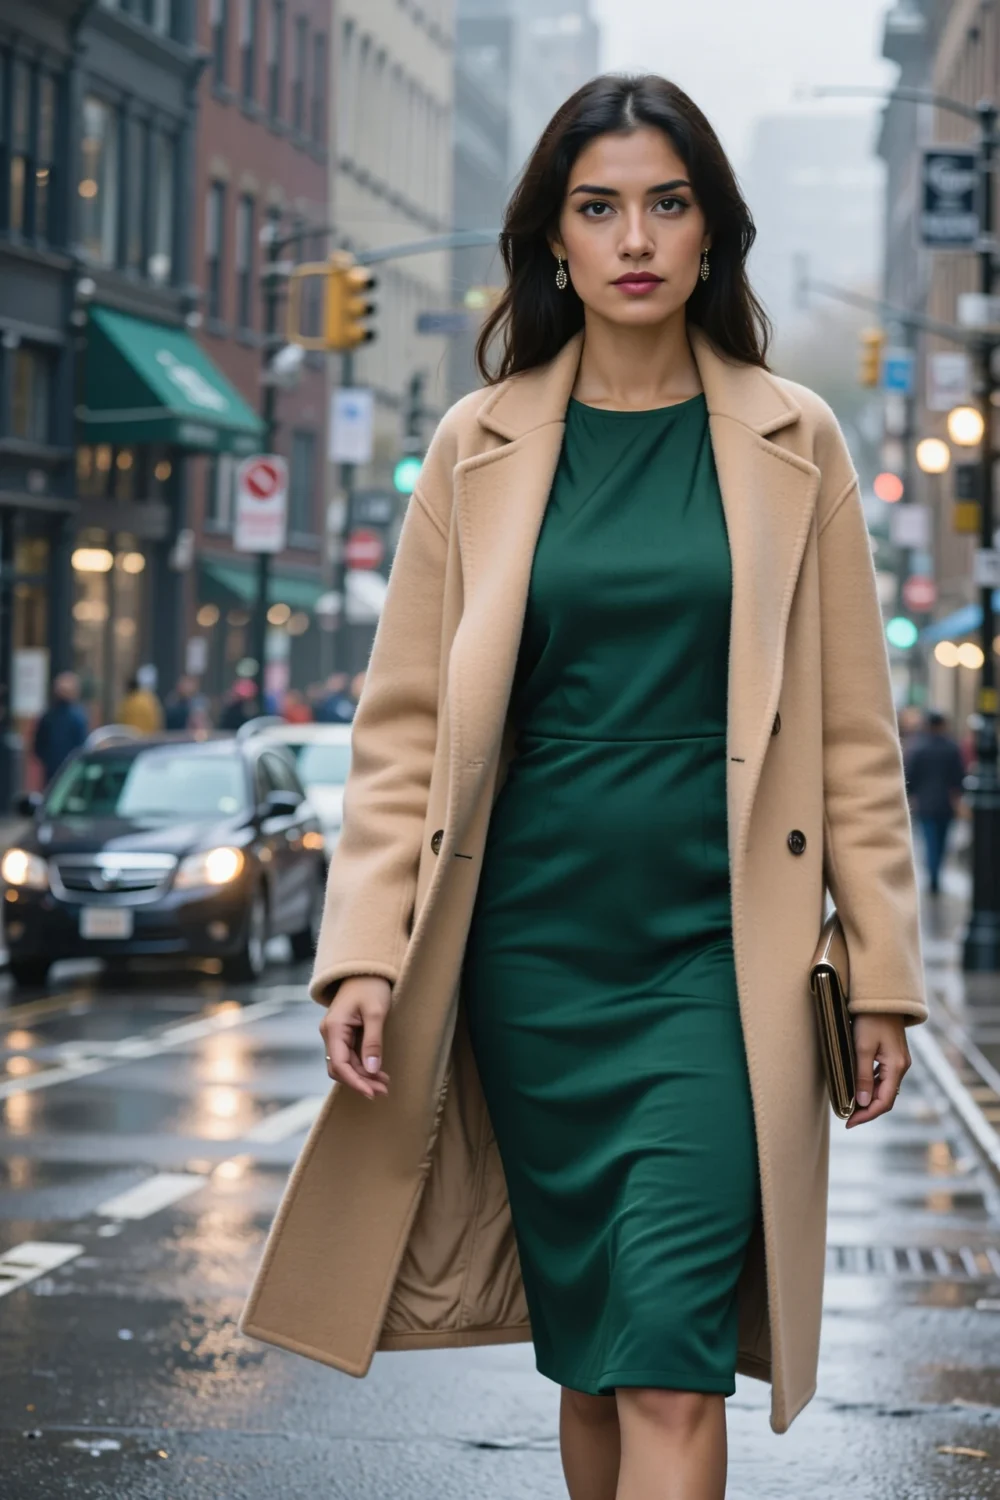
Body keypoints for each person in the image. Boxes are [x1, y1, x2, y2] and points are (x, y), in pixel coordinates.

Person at [242, 76, 926, 1496]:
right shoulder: (475, 444)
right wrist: (362, 950)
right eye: (598, 207)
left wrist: (880, 974)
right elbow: (404, 729)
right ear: (552, 238)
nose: (635, 238)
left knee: (669, 1359)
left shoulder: (797, 439)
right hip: (532, 958)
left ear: (710, 229)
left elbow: (856, 738)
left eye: (667, 204)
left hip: (718, 961)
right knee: (597, 1361)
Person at [905, 710, 966, 896]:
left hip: (925, 804)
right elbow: (959, 777)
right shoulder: (951, 747)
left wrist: (913, 796)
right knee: (941, 842)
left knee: (930, 842)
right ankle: (935, 874)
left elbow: (910, 777)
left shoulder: (918, 748)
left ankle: (933, 876)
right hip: (946, 803)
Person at [33, 672, 88, 785]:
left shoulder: (49, 715)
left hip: (54, 770)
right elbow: (82, 745)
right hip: (70, 770)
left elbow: (38, 746)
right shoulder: (77, 716)